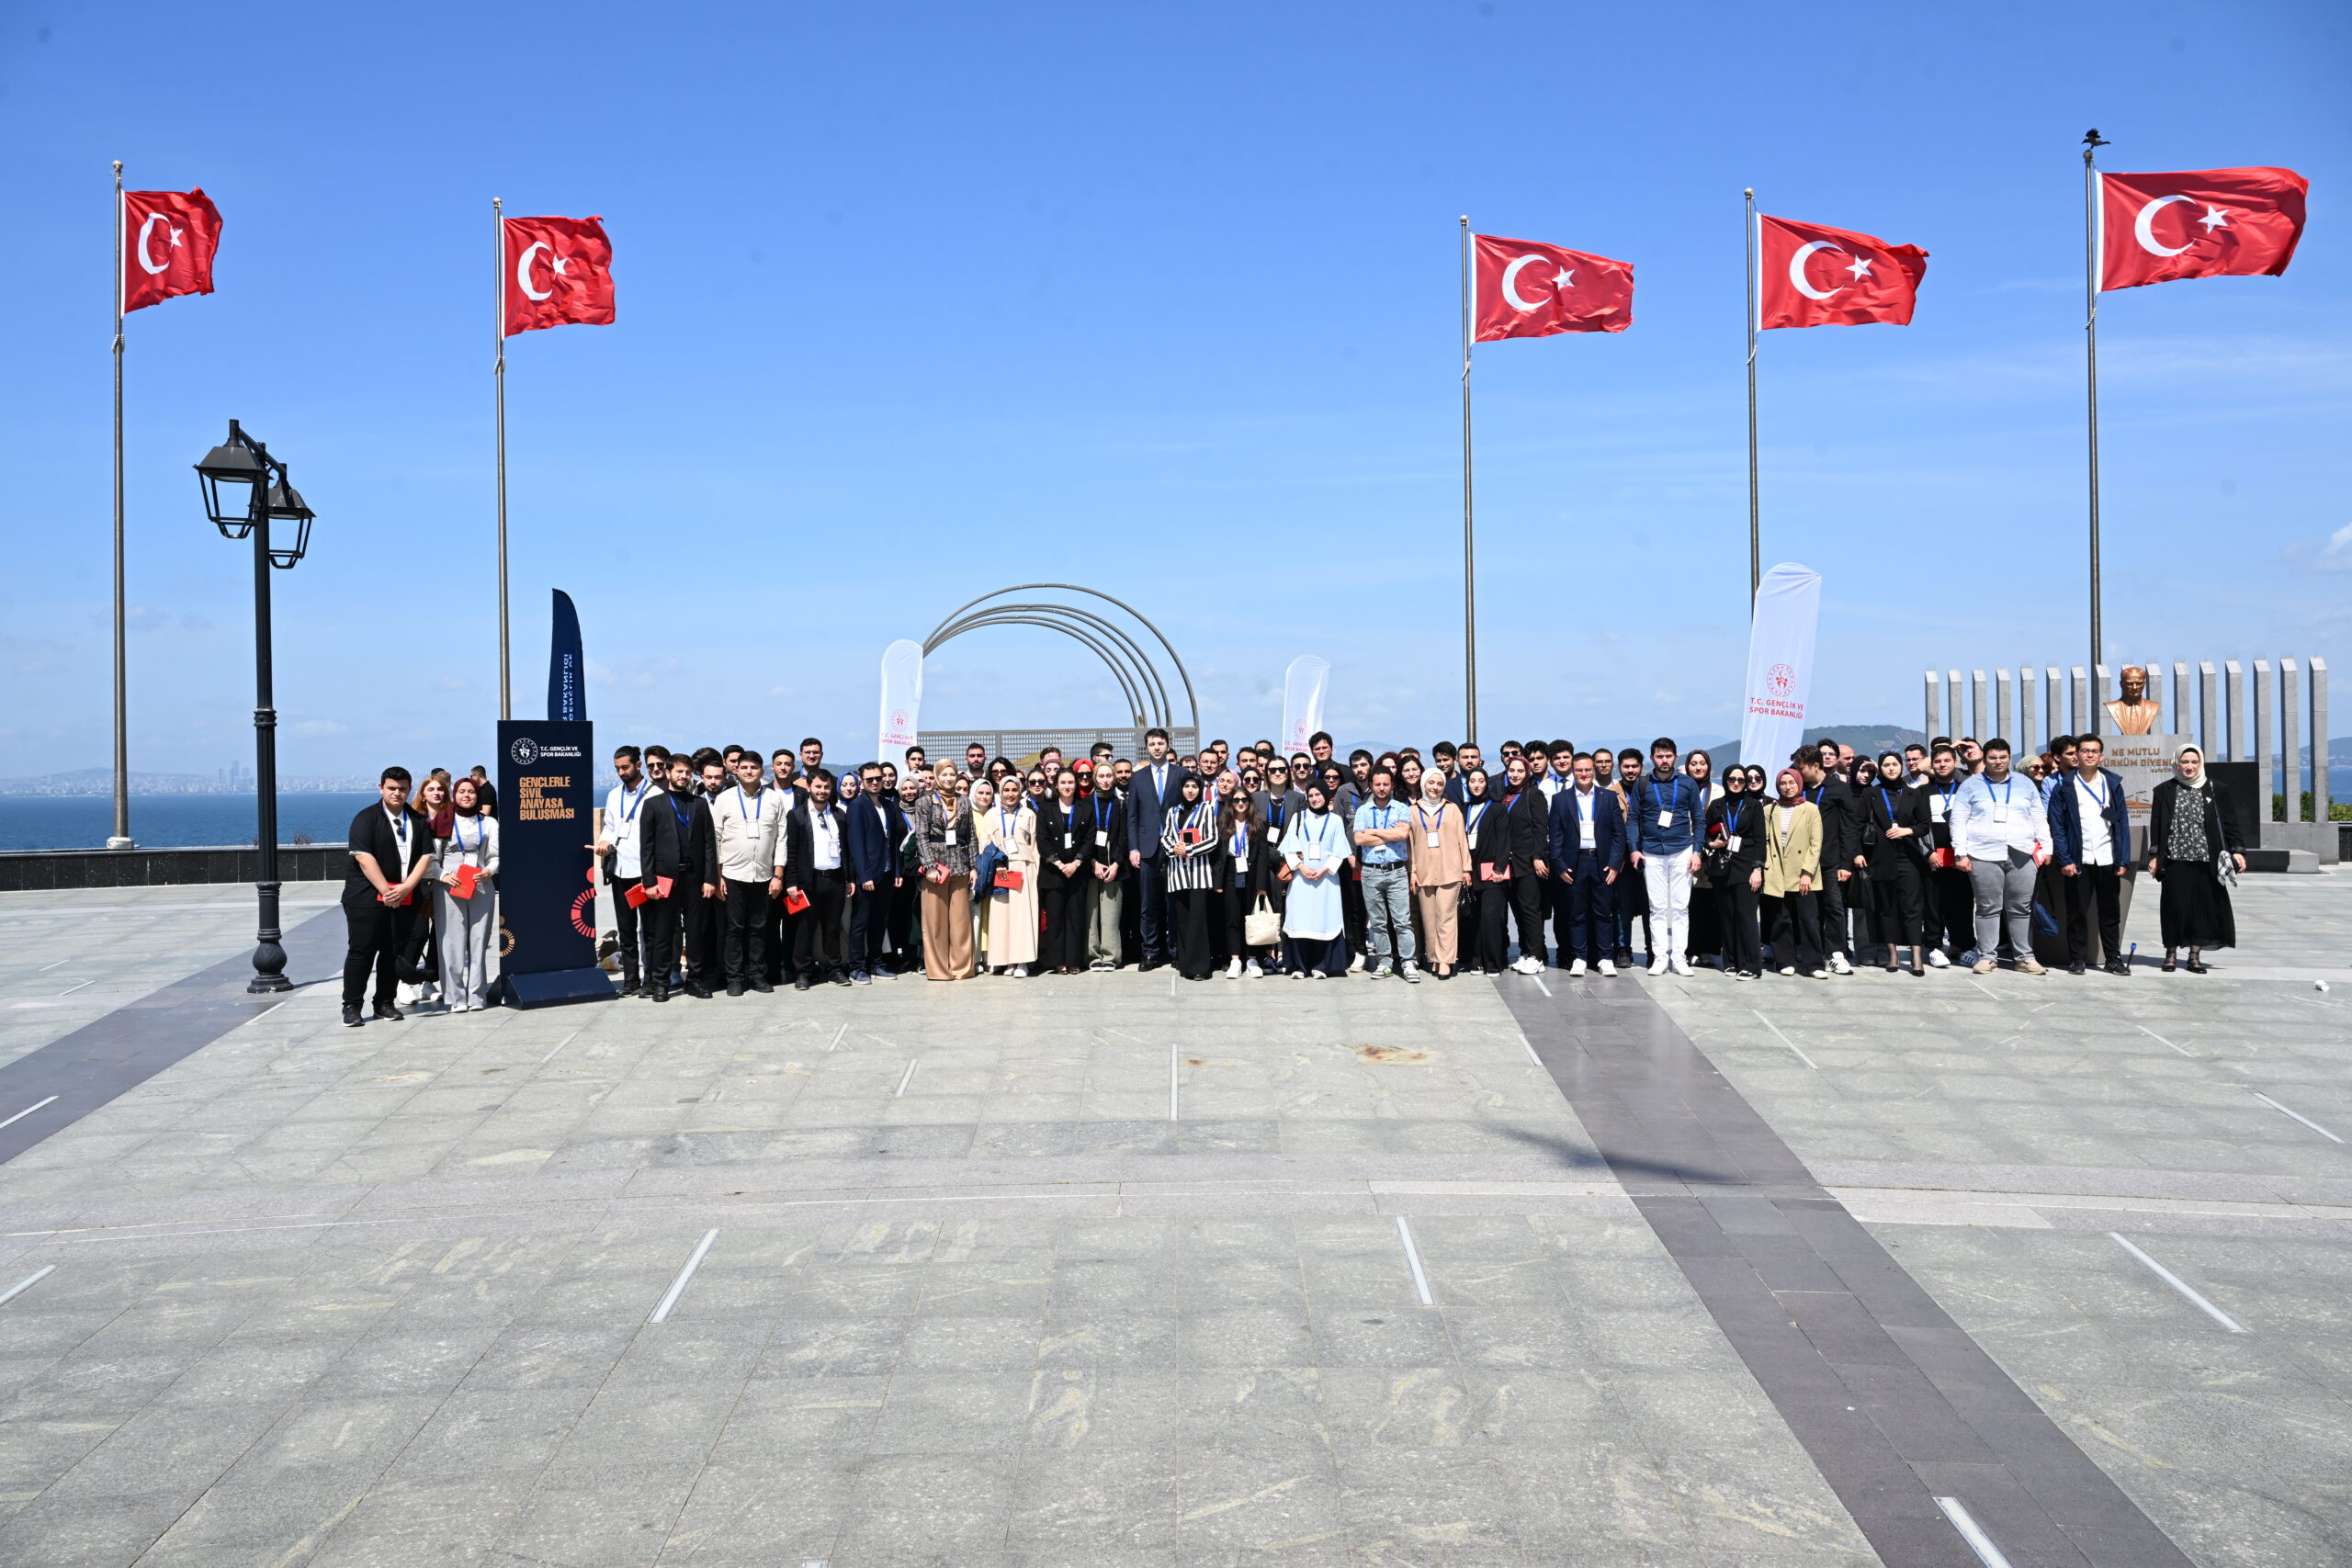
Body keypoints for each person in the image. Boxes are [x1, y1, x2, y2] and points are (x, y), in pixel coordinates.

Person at [1948, 739, 2052, 976]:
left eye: (2003, 757)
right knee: (1987, 908)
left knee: (2020, 908)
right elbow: (1958, 820)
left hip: (2022, 852)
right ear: (1985, 759)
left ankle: (2024, 958)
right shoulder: (1971, 785)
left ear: (2009, 758)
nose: (1998, 762)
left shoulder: (2024, 784)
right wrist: (1960, 852)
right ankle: (1987, 957)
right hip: (1983, 853)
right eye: (1993, 757)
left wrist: (2047, 848)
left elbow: (2038, 817)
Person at [342, 767, 435, 1026]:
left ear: (409, 790)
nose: (397, 793)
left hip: (404, 898)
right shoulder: (366, 819)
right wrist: (386, 890)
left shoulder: (417, 820)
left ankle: (384, 1002)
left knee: (393, 954)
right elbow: (363, 857)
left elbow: (426, 856)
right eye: (392, 788)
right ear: (381, 788)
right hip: (367, 899)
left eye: (402, 788)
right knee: (362, 952)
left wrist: (406, 888)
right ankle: (352, 1006)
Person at [2148, 745, 2245, 974]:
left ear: (2201, 763)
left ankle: (2194, 956)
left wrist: (2238, 850)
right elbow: (2157, 826)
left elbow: (2230, 823)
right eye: (2184, 762)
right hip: (2174, 860)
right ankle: (2170, 954)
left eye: (2194, 762)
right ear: (2176, 763)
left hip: (2206, 861)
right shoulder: (2163, 790)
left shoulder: (2216, 789)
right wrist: (2154, 856)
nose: (2189, 766)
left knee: (2202, 908)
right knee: (2174, 907)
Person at [2047, 734, 2133, 976]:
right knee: (2077, 912)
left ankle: (2113, 959)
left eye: (2094, 751)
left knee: (2110, 913)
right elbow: (2058, 827)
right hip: (2079, 859)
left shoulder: (2112, 784)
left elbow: (2121, 824)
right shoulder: (2064, 786)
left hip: (2107, 858)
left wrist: (2123, 859)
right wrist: (2064, 859)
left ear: (2101, 755)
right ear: (2077, 754)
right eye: (2084, 751)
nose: (2089, 755)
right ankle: (2077, 959)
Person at [638, 752, 718, 1002]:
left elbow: (708, 845)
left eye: (688, 772)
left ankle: (695, 979)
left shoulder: (699, 804)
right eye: (679, 772)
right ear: (669, 772)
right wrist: (649, 882)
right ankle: (660, 982)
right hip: (665, 879)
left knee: (695, 933)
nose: (684, 776)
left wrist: (710, 879)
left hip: (695, 879)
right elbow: (647, 847)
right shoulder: (653, 804)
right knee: (663, 933)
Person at [1628, 737, 1703, 976]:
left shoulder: (1688, 783)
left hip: (1682, 850)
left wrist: (1697, 851)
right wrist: (1634, 848)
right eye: (1659, 756)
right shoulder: (1642, 784)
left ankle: (1679, 957)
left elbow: (1699, 819)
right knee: (1657, 907)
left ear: (1675, 757)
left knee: (1681, 908)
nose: (1664, 760)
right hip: (1652, 852)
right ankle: (1660, 957)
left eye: (1668, 756)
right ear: (1652, 758)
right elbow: (1632, 819)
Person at [711, 752, 783, 996]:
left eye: (754, 767)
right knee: (734, 928)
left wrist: (778, 875)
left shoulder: (773, 799)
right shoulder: (725, 799)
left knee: (759, 927)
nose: (749, 771)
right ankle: (734, 977)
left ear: (762, 771)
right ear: (736, 771)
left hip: (764, 875)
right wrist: (718, 876)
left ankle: (756, 975)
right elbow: (716, 838)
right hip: (732, 874)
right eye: (744, 767)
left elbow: (782, 838)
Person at [1549, 752, 1624, 978]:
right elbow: (1556, 836)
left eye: (1588, 770)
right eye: (1579, 770)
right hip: (1575, 863)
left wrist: (1614, 865)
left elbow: (1618, 835)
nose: (1584, 774)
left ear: (1594, 770)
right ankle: (1579, 957)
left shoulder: (1608, 797)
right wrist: (1560, 866)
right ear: (1573, 771)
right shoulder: (1561, 799)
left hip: (1602, 863)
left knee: (1603, 913)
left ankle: (1605, 958)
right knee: (1576, 913)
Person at [431, 775, 502, 1010]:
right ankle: (455, 997)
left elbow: (495, 856)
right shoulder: (442, 821)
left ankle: (477, 996)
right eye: (462, 791)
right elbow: (430, 858)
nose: (467, 796)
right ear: (454, 794)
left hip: (481, 884)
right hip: (449, 886)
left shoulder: (489, 822)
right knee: (452, 942)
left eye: (471, 792)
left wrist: (489, 871)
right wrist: (442, 875)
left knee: (479, 941)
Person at [1857, 750, 1931, 975]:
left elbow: (1925, 825)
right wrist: (1858, 853)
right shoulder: (1871, 794)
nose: (1891, 768)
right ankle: (1893, 955)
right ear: (1880, 769)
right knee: (1886, 908)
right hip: (1879, 858)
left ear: (1902, 767)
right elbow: (1857, 826)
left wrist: (1907, 830)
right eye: (1887, 765)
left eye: (1895, 764)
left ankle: (1916, 955)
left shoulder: (1913, 794)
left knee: (1912, 908)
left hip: (1908, 857)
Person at [782, 769, 854, 987]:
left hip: (835, 879)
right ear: (809, 787)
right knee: (805, 928)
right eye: (818, 787)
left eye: (826, 787)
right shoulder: (796, 816)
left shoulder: (840, 815)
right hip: (807, 880)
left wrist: (850, 879)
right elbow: (791, 851)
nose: (822, 791)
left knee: (832, 927)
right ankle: (802, 971)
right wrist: (791, 882)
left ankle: (834, 968)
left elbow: (847, 851)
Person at [595, 745, 657, 995]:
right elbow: (610, 826)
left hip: (645, 872)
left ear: (638, 765)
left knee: (650, 930)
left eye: (625, 767)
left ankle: (652, 979)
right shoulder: (613, 795)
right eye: (618, 768)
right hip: (620, 870)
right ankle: (631, 980)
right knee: (626, 929)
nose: (621, 772)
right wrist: (603, 842)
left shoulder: (654, 794)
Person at [1126, 728, 1190, 970]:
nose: (1156, 747)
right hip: (1147, 848)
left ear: (1167, 745)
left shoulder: (1181, 774)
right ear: (1147, 747)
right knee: (1148, 904)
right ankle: (1150, 952)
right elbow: (1132, 816)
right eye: (1152, 744)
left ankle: (1175, 950)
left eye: (1160, 743)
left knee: (1174, 902)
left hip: (1175, 847)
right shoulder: (1138, 777)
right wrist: (1134, 847)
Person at [1796, 746, 1860, 976]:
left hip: (1831, 860)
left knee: (1834, 907)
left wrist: (1846, 863)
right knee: (1810, 910)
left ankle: (1835, 953)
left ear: (1816, 766)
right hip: (1804, 862)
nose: (1798, 773)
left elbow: (1849, 828)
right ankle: (1813, 951)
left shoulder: (1839, 789)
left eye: (1801, 769)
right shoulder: (1800, 789)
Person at [913, 760, 978, 980]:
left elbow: (971, 836)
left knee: (961, 923)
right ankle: (939, 970)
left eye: (952, 774)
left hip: (960, 866)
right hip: (936, 869)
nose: (949, 778)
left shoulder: (965, 802)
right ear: (937, 776)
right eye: (945, 775)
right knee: (935, 924)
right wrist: (929, 866)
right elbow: (921, 836)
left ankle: (962, 968)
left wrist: (974, 866)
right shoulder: (925, 802)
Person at [1279, 779, 1351, 976]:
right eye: (1310, 795)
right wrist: (1301, 867)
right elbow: (1289, 848)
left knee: (1324, 919)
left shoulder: (1335, 820)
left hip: (1326, 879)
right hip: (1301, 879)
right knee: (1300, 921)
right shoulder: (1298, 818)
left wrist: (1324, 869)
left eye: (1318, 794)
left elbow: (1340, 851)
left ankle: (1321, 965)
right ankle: (1300, 966)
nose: (1314, 798)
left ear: (1326, 796)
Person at [1351, 767, 1418, 981]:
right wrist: (1390, 835)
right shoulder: (1363, 810)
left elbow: (1402, 834)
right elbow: (1359, 840)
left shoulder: (1401, 808)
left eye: (1385, 784)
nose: (1381, 788)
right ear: (1371, 785)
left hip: (1396, 871)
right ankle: (1385, 962)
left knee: (1402, 921)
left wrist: (1373, 832)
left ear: (1392, 785)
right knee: (1378, 923)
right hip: (1371, 873)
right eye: (1377, 784)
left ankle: (1408, 962)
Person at [1406, 766, 1471, 979]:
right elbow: (1410, 845)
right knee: (1429, 918)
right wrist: (1412, 871)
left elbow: (1463, 839)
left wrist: (1466, 868)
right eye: (1431, 783)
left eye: (1440, 784)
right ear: (1424, 783)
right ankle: (1433, 958)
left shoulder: (1452, 809)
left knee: (1446, 916)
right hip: (1423, 871)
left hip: (1450, 870)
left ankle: (1446, 960)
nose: (1435, 787)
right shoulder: (1412, 811)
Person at [845, 761, 906, 983]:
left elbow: (894, 841)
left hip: (888, 873)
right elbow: (856, 844)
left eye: (878, 779)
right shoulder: (857, 806)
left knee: (880, 922)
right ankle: (857, 967)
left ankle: (876, 963)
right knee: (861, 922)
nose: (874, 782)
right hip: (868, 876)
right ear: (862, 780)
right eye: (869, 779)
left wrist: (897, 870)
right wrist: (864, 876)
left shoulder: (889, 805)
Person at [1763, 768, 1826, 978]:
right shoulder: (1770, 809)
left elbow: (1815, 844)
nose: (1788, 787)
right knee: (1781, 920)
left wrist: (1807, 872)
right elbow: (1765, 841)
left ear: (1799, 783)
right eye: (1783, 783)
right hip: (1777, 871)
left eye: (1792, 782)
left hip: (1803, 873)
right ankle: (1785, 961)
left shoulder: (1811, 809)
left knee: (1809, 920)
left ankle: (1814, 964)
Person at [1706, 766, 1765, 980]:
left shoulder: (1753, 806)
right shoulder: (1716, 805)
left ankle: (1751, 965)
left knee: (1746, 916)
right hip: (1723, 866)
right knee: (1727, 915)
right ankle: (1730, 961)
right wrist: (1714, 843)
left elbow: (1760, 840)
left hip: (1747, 867)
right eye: (1732, 779)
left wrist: (1758, 869)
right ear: (1725, 780)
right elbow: (1706, 835)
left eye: (1741, 779)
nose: (1737, 783)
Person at [1161, 773, 1222, 981]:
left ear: (1199, 789)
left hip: (1198, 873)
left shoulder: (1206, 809)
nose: (1190, 790)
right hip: (1177, 873)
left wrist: (1190, 849)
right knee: (1183, 920)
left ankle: (1200, 967)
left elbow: (1213, 839)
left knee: (1198, 920)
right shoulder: (1172, 812)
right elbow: (1166, 837)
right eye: (1186, 786)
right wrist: (1174, 848)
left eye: (1194, 787)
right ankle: (1185, 964)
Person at [980, 773, 1040, 976]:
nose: (1010, 794)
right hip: (1001, 869)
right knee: (1002, 916)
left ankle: (1022, 961)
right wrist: (997, 863)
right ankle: (1007, 962)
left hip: (1024, 868)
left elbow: (1035, 846)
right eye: (1006, 790)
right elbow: (985, 842)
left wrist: (1036, 873)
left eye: (1014, 790)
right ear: (1000, 792)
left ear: (1020, 791)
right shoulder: (991, 815)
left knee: (1022, 917)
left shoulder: (1028, 814)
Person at [1217, 781, 1276, 976]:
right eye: (1236, 800)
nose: (1240, 803)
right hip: (1231, 872)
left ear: (1249, 802)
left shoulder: (1257, 824)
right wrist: (1217, 881)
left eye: (1244, 799)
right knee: (1232, 918)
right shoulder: (1223, 822)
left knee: (1251, 918)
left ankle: (1252, 959)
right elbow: (1218, 855)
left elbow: (1263, 856)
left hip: (1251, 873)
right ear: (1231, 803)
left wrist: (1261, 884)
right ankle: (1235, 959)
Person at [1038, 768, 1093, 975]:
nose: (1067, 786)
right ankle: (1058, 960)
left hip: (1077, 872)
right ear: (1056, 785)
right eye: (1063, 783)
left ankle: (1073, 960)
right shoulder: (1046, 808)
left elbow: (1089, 838)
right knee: (1056, 918)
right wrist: (1059, 864)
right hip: (1054, 872)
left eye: (1071, 782)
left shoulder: (1085, 807)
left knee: (1076, 918)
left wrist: (1077, 863)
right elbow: (1042, 840)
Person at [1501, 754, 1553, 971]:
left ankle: (1537, 956)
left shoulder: (1534, 794)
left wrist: (1538, 856)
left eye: (1520, 771)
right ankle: (1526, 952)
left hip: (1529, 862)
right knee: (1519, 910)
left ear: (1527, 773)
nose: (1515, 775)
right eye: (1512, 771)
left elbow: (1541, 829)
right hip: (1511, 862)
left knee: (1531, 910)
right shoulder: (1506, 796)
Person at [1919, 745, 1969, 967]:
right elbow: (1918, 826)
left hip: (1961, 857)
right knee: (1933, 903)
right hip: (1934, 857)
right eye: (1937, 762)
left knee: (1963, 903)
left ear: (1955, 763)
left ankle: (1964, 945)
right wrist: (1927, 852)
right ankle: (1934, 946)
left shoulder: (1966, 789)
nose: (1942, 765)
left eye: (1947, 761)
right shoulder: (1923, 792)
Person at [1462, 768, 1510, 975]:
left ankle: (1493, 962)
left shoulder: (1496, 808)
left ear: (1487, 784)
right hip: (1469, 867)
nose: (1476, 785)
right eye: (1472, 781)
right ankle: (1477, 960)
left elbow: (1504, 840)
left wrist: (1500, 867)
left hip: (1491, 869)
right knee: (1474, 917)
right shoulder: (1464, 808)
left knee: (1491, 916)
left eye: (1481, 781)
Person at [1083, 763, 1129, 971]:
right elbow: (1082, 838)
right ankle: (1093, 956)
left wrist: (1117, 863)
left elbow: (1123, 837)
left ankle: (1110, 956)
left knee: (1111, 914)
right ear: (1095, 778)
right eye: (1101, 776)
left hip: (1114, 861)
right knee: (1091, 914)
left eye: (1109, 775)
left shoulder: (1120, 804)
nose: (1106, 780)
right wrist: (1093, 862)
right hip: (1090, 862)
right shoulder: (1084, 803)